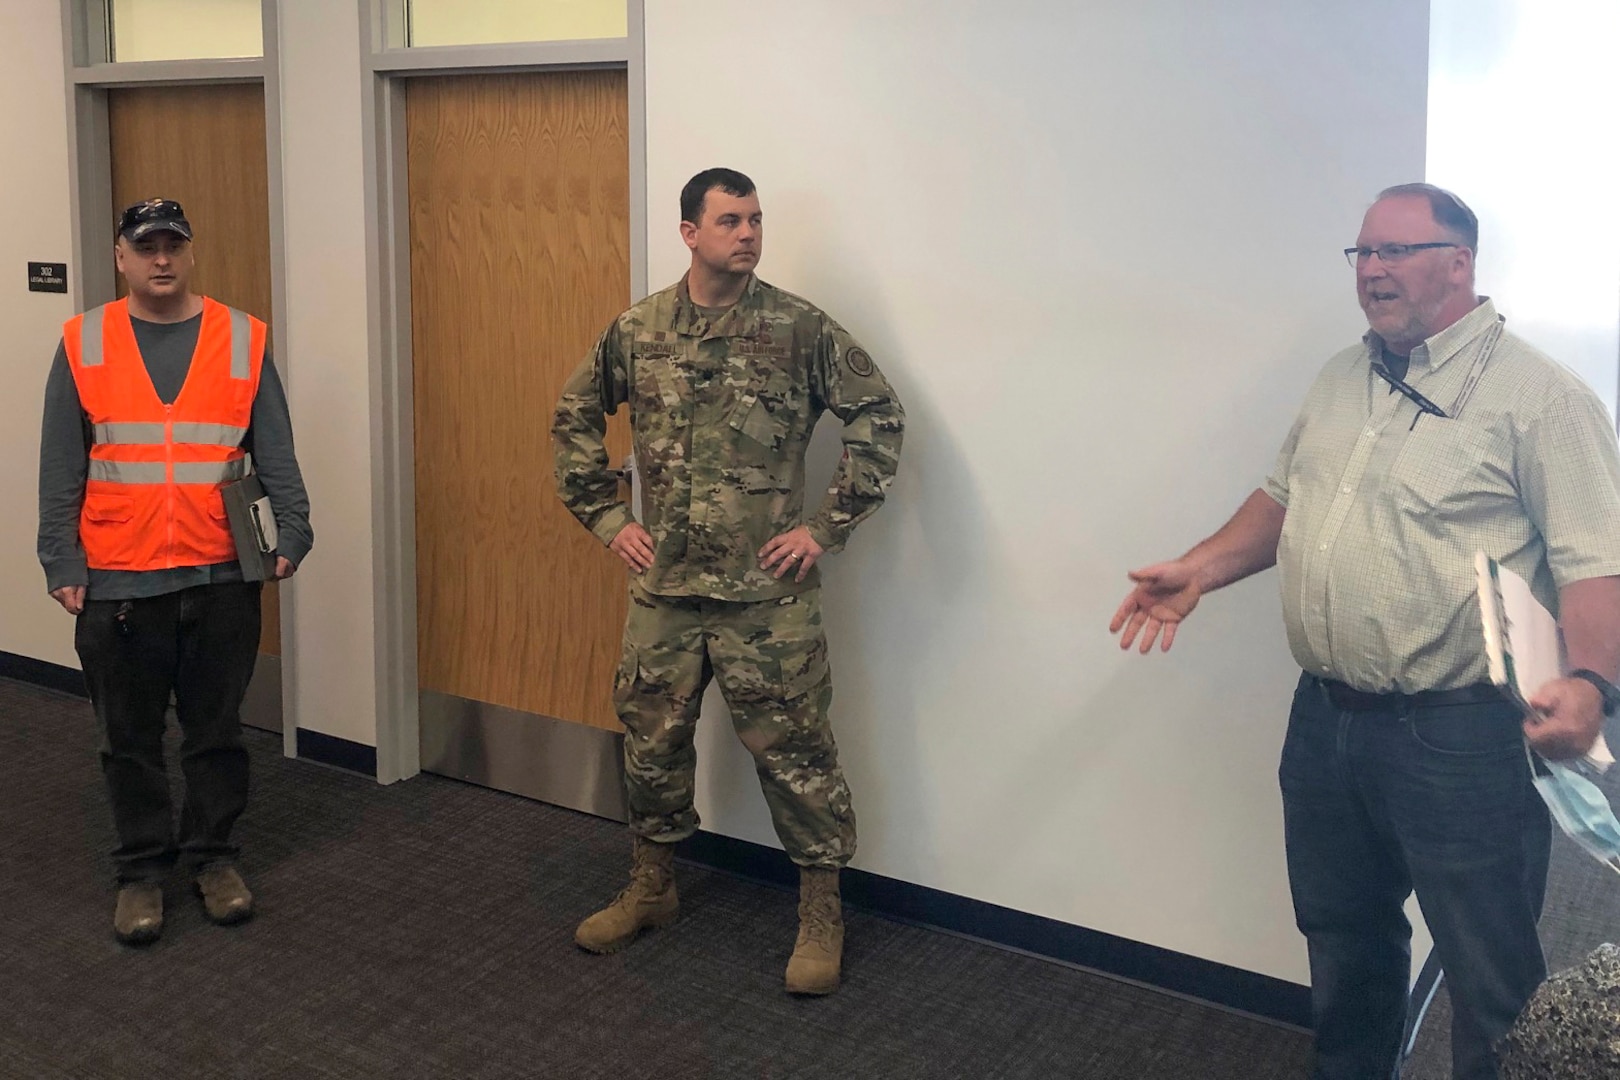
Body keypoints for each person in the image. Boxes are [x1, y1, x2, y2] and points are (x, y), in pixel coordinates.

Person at [1110, 184, 1620, 1079]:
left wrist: (1592, 688)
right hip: (1328, 721)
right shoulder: (1344, 376)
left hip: (1463, 735)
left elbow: (1595, 564)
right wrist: (1202, 567)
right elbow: (1284, 497)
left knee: (1489, 968)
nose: (1373, 271)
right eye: (1362, 254)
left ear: (1459, 264)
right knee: (1343, 937)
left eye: (1396, 252)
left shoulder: (1542, 398)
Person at [552, 167, 904, 994]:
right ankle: (652, 886)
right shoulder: (638, 331)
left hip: (765, 600)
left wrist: (824, 527)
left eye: (755, 220)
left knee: (798, 757)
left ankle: (820, 912)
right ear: (690, 233)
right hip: (666, 592)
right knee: (650, 745)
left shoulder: (796, 328)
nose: (747, 234)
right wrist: (610, 519)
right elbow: (573, 417)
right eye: (730, 220)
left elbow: (878, 415)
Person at [37, 198, 313, 945]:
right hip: (118, 580)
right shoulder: (85, 341)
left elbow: (275, 449)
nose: (161, 259)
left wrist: (294, 528)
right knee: (126, 739)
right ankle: (141, 871)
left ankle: (215, 857)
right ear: (121, 256)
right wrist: (60, 557)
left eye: (173, 245)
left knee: (215, 733)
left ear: (190, 254)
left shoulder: (241, 338)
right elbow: (61, 463)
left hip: (221, 573)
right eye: (145, 246)